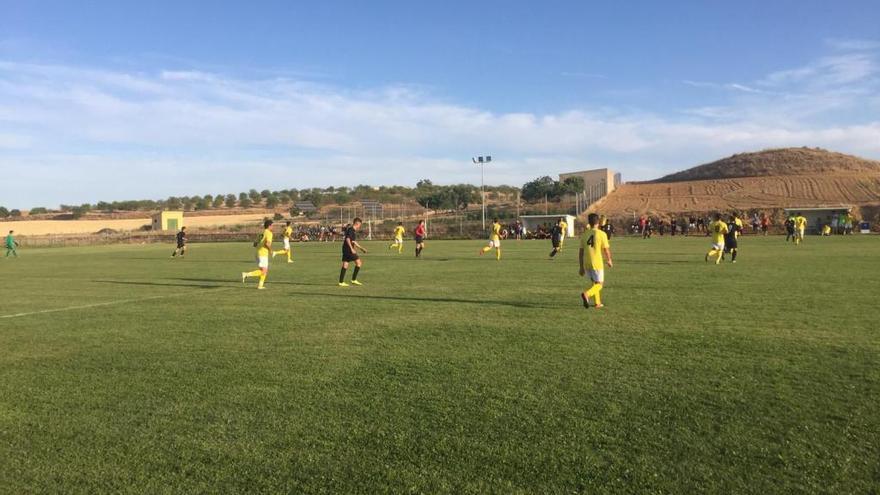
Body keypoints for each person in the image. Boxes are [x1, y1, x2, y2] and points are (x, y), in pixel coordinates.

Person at [579, 213, 613, 309]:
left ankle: (598, 303)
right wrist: (609, 260)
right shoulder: (602, 234)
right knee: (600, 285)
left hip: (587, 262)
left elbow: (580, 252)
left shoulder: (585, 234)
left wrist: (581, 267)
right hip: (597, 262)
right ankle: (587, 294)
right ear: (598, 222)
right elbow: (606, 249)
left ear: (589, 222)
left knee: (595, 283)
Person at [241, 219, 274, 289]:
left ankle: (260, 285)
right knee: (264, 271)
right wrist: (271, 251)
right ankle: (246, 274)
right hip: (263, 253)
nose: (273, 227)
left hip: (257, 253)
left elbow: (254, 244)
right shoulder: (269, 233)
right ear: (269, 226)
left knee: (263, 270)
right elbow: (268, 244)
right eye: (272, 226)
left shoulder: (262, 233)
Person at [339, 217, 367, 286]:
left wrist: (361, 248)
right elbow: (348, 239)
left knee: (345, 264)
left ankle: (341, 282)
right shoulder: (351, 230)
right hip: (348, 249)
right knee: (359, 263)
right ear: (357, 223)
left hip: (345, 249)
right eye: (360, 224)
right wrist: (351, 248)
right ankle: (353, 280)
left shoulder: (352, 230)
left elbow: (353, 241)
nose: (360, 226)